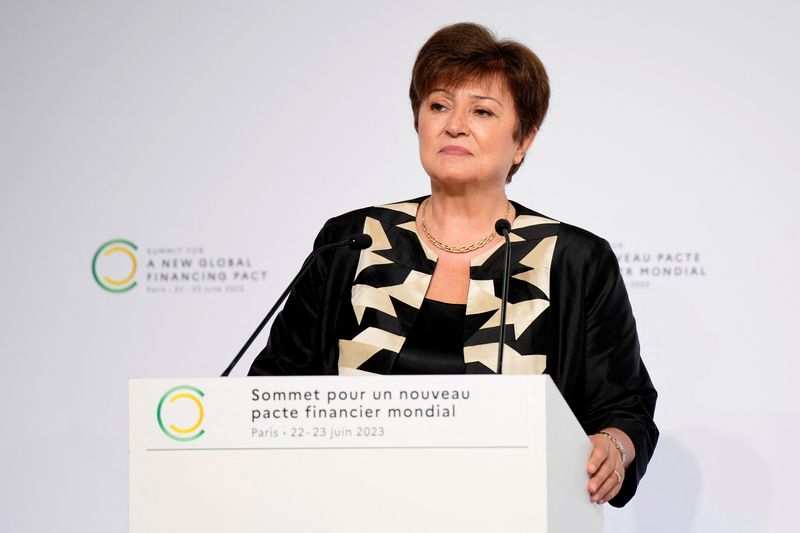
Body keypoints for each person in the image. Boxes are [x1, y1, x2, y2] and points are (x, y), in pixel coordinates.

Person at [249, 22, 657, 508]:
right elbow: (275, 389)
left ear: (523, 140)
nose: (454, 124)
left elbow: (625, 407)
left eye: (482, 111)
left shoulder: (573, 259)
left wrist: (612, 446)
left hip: (509, 510)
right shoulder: (351, 242)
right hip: (347, 507)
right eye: (438, 105)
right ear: (418, 121)